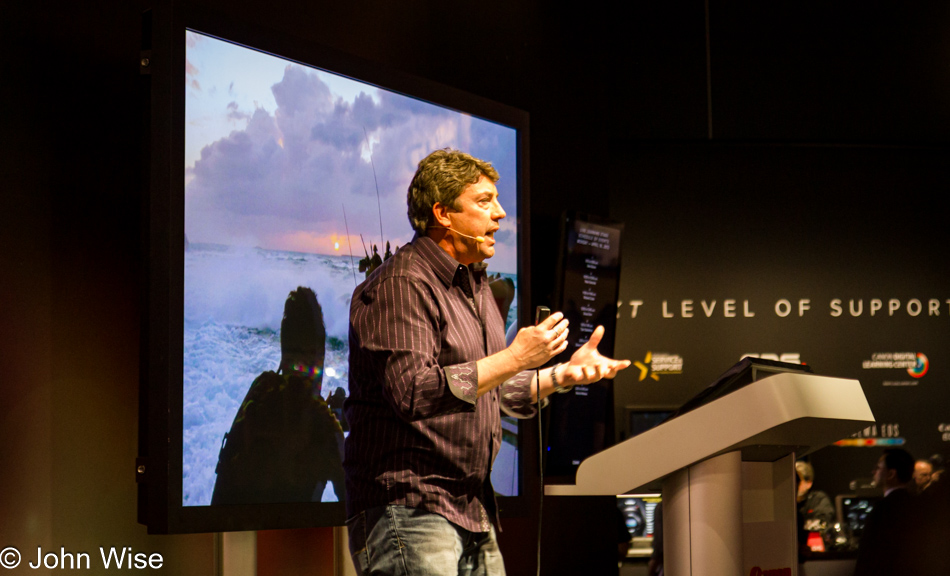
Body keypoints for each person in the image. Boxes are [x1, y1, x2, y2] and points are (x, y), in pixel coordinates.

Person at [343, 148, 631, 575]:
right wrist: (516, 355)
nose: (499, 214)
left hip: (472, 508)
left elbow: (487, 390)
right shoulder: (402, 284)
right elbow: (414, 391)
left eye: (497, 201)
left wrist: (559, 375)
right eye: (484, 201)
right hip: (409, 510)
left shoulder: (475, 286)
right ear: (443, 213)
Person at [211, 287, 345, 504]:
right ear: (319, 351)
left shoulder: (260, 388)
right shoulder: (324, 426)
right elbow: (358, 517)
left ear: (283, 348)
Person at [853, 447, 916, 576]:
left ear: (891, 474)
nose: (873, 471)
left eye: (878, 468)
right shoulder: (918, 505)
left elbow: (869, 555)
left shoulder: (882, 509)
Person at [794, 460, 835, 553]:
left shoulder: (818, 498)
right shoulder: (784, 501)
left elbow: (823, 521)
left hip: (814, 550)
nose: (794, 485)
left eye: (798, 481)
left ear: (808, 483)